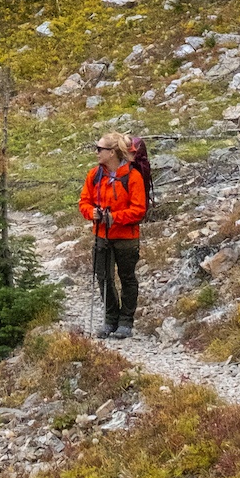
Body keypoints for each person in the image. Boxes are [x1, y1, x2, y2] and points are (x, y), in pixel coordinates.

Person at [79, 130, 147, 339]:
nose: (97, 152)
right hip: (102, 234)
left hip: (126, 237)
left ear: (112, 153)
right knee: (104, 277)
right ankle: (111, 320)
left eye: (100, 149)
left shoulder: (133, 177)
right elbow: (84, 201)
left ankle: (125, 322)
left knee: (127, 278)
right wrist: (92, 213)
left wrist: (114, 218)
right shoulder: (94, 175)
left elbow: (139, 209)